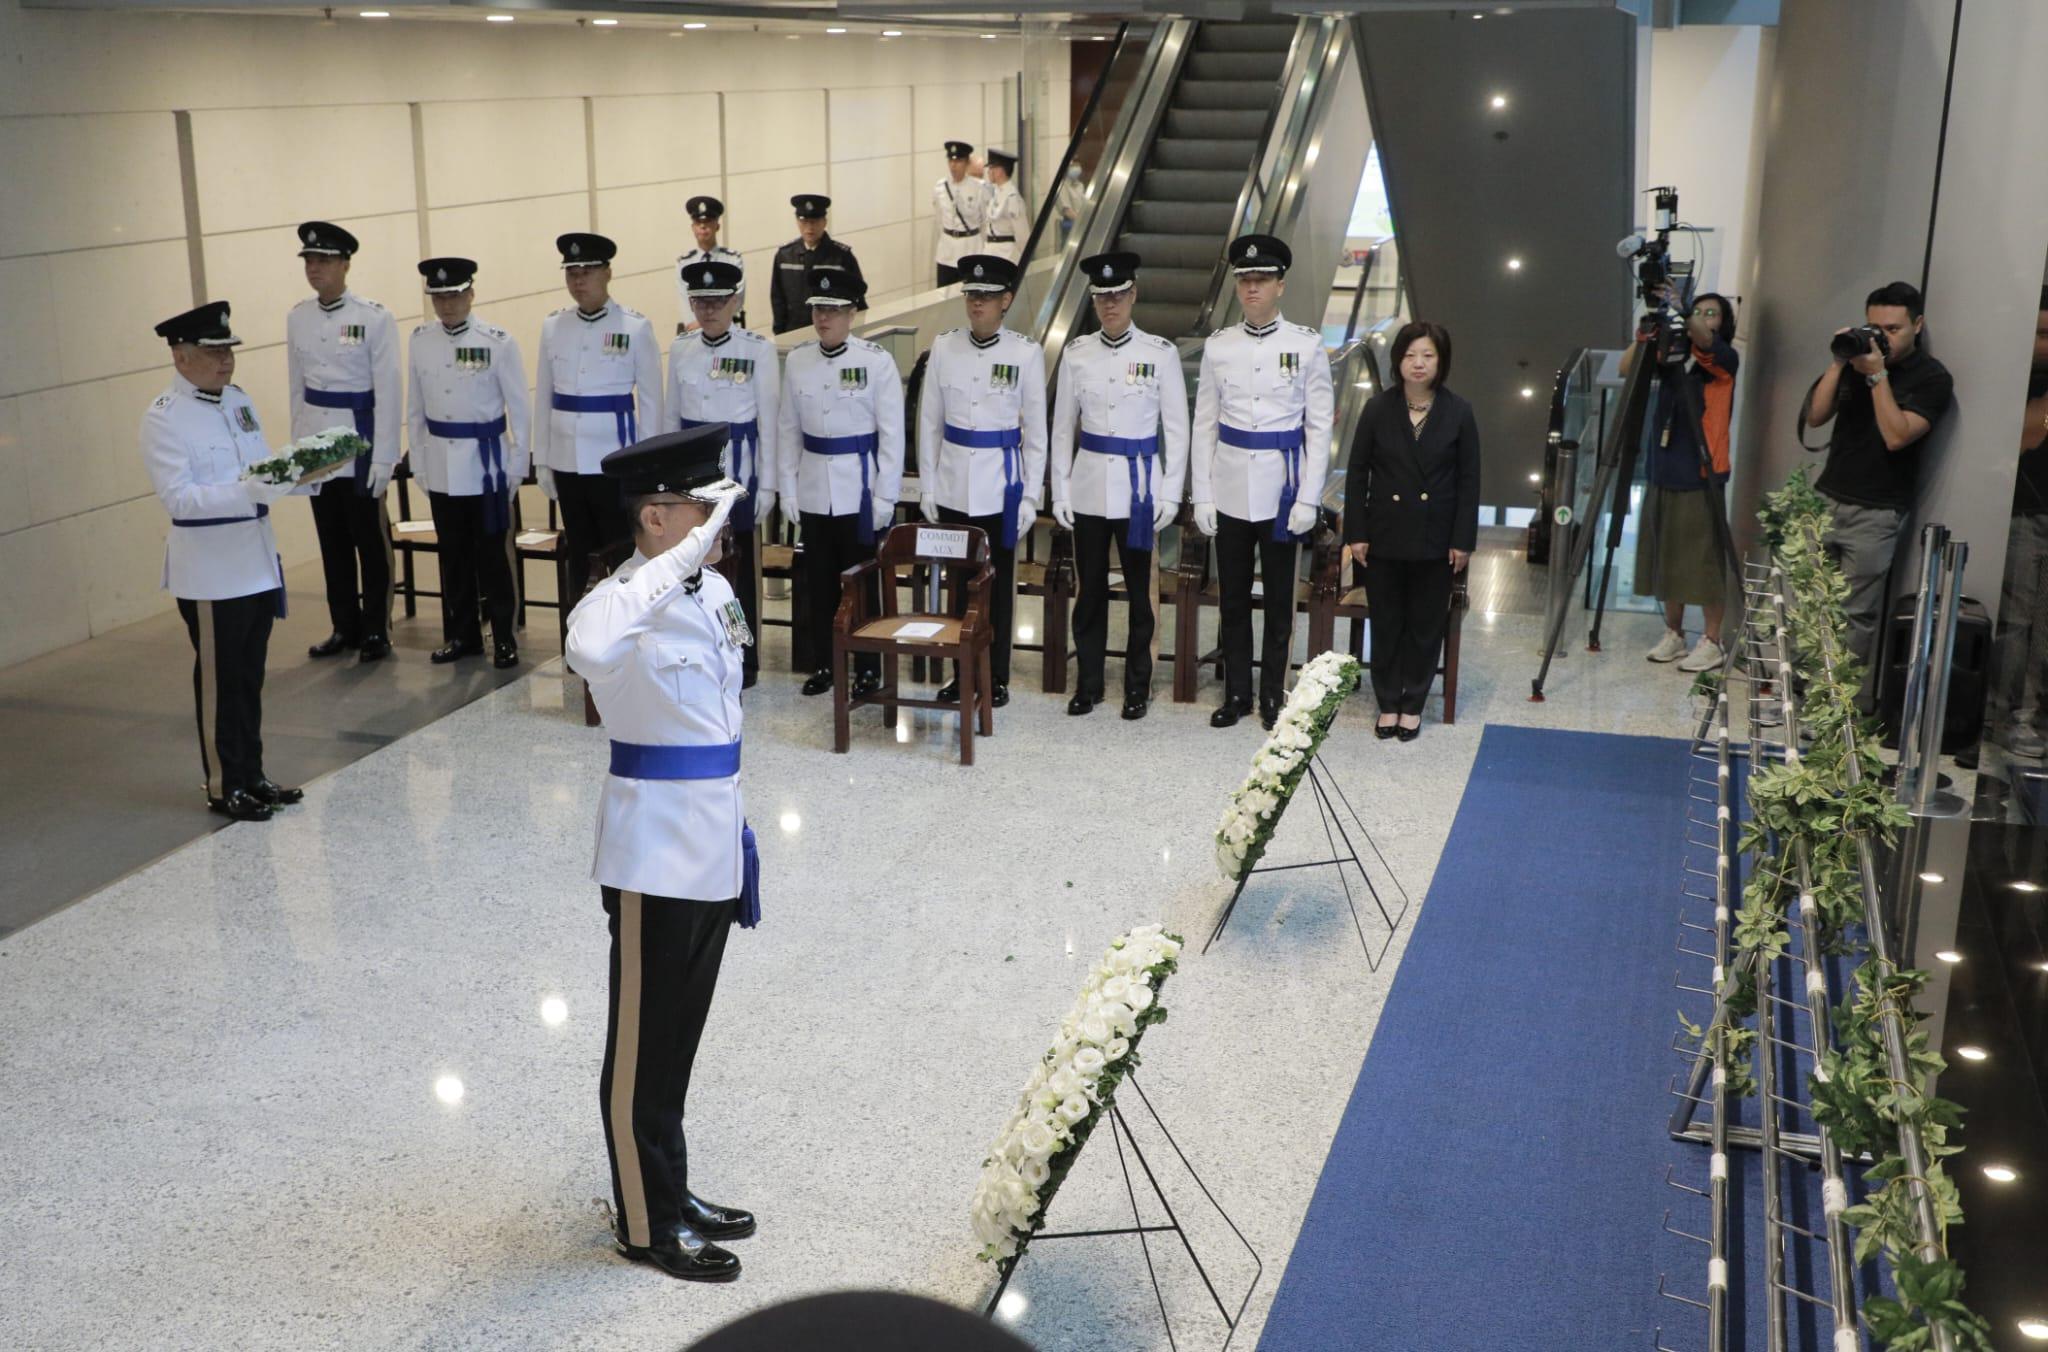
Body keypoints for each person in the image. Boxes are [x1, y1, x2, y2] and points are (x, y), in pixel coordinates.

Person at [564, 425, 758, 1284]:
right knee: (640, 1050)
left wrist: (692, 564)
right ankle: (644, 1224)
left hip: (713, 839)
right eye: (698, 506)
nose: (715, 520)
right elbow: (587, 650)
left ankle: (669, 1191)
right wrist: (672, 564)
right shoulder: (623, 602)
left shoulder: (708, 590)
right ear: (655, 516)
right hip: (652, 856)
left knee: (679, 1038)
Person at [141, 301, 309, 821]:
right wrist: (249, 491)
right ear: (181, 355)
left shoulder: (237, 401)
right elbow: (180, 499)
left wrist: (300, 475)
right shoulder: (163, 418)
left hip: (255, 560)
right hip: (211, 571)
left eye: (227, 350)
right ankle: (223, 784)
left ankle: (251, 774)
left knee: (250, 676)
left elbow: (259, 469)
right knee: (220, 681)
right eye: (212, 352)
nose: (225, 361)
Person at [1190, 234, 1333, 730]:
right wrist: (1202, 493)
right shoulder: (1219, 346)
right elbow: (1204, 423)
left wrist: (1310, 498)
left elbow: (1319, 427)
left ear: (1280, 286)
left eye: (1262, 280)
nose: (1252, 288)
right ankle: (1236, 693)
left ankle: (1273, 692)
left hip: (1282, 490)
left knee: (1277, 599)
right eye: (1245, 280)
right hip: (1230, 486)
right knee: (1231, 596)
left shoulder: (1306, 345)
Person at [1049, 251, 1189, 719]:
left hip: (1140, 491)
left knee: (1139, 596)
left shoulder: (1159, 354)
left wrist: (1171, 491)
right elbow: (1063, 429)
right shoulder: (1077, 354)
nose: (1110, 305)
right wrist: (1061, 491)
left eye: (1118, 295)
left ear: (1134, 295)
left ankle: (1137, 685)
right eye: (1101, 297)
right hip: (1089, 487)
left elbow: (1177, 428)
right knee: (1089, 592)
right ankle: (1088, 683)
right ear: (1093, 302)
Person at [1802, 280, 1954, 691]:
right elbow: (1815, 417)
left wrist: (1877, 376)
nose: (1881, 337)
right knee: (1807, 601)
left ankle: (1836, 707)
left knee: (1855, 614)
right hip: (1827, 496)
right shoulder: (1855, 362)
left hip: (1877, 512)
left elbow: (1897, 435)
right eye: (1874, 327)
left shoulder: (1932, 378)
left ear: (1917, 325)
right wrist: (1839, 362)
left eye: (1893, 329)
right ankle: (1797, 691)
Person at [917, 254, 1048, 708]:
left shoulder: (1025, 353)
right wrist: (929, 486)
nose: (976, 305)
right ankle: (960, 673)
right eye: (971, 295)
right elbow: (929, 422)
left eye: (987, 297)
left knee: (996, 588)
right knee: (957, 588)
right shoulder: (944, 348)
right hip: (954, 485)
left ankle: (996, 675)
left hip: (1002, 488)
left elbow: (1036, 432)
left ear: (1006, 301)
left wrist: (1032, 494)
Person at [1341, 321, 1480, 741]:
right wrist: (1357, 532)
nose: (1418, 364)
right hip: (1383, 533)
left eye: (1428, 356)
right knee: (1386, 621)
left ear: (1441, 362)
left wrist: (1462, 541)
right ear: (1398, 361)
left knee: (1424, 624)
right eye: (1410, 355)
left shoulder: (1458, 411)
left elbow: (1469, 481)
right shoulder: (1378, 409)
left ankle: (1413, 702)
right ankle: (1388, 701)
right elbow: (1357, 472)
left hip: (1436, 538)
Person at [778, 266, 903, 696]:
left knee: (862, 583)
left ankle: (868, 666)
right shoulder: (798, 360)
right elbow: (788, 429)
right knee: (819, 582)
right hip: (815, 489)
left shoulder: (875, 362)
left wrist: (886, 495)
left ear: (852, 313)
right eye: (818, 309)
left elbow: (892, 435)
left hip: (861, 492)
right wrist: (788, 489)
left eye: (833, 310)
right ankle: (827, 663)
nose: (823, 318)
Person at [406, 256, 530, 668]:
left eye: (455, 295)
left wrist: (516, 465)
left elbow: (519, 408)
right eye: (439, 297)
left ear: (471, 294)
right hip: (441, 463)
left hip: (485, 465)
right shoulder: (421, 340)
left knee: (493, 557)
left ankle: (504, 636)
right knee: (453, 557)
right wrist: (420, 463)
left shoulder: (498, 341)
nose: (447, 304)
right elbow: (415, 408)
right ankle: (462, 635)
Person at [288, 220, 402, 663]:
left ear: (345, 264)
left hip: (360, 440)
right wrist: (299, 453)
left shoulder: (373, 317)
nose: (315, 269)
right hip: (318, 444)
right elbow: (297, 388)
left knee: (369, 542)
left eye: (324, 261)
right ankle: (343, 625)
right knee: (331, 541)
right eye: (310, 261)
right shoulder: (298, 316)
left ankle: (376, 627)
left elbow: (389, 391)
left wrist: (384, 457)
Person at [533, 232, 663, 609]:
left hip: (614, 461)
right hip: (567, 460)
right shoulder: (554, 326)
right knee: (579, 551)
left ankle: (625, 629)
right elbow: (543, 397)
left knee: (621, 551)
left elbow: (652, 403)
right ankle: (581, 633)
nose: (579, 280)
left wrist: (646, 467)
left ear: (607, 273)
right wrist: (542, 458)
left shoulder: (634, 327)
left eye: (588, 271)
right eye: (572, 272)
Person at [668, 259, 781, 689]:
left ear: (734, 301)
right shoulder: (681, 349)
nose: (708, 309)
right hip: (691, 480)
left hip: (739, 476)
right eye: (699, 301)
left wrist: (767, 484)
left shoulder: (757, 350)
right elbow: (669, 418)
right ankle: (699, 648)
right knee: (691, 567)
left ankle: (743, 653)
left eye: (717, 301)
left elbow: (769, 422)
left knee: (737, 576)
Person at [1633, 292, 1739, 674]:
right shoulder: (1674, 355)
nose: (1703, 318)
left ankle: (1712, 640)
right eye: (1699, 311)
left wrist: (1681, 306)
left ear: (1723, 323)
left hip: (1703, 472)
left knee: (1705, 557)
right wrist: (1646, 335)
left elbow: (1707, 342)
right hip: (1664, 467)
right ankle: (1674, 633)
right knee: (1669, 554)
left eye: (1712, 313)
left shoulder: (1723, 358)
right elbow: (1631, 368)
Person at [1992, 286, 2048, 757]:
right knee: (2018, 623)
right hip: (2027, 515)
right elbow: (2028, 438)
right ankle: (2011, 716)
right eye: (2043, 334)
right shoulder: (2019, 380)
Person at [769, 196, 868, 336]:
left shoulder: (841, 256)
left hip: (832, 334)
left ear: (824, 222)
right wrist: (779, 334)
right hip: (794, 332)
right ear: (797, 221)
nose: (809, 227)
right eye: (804, 221)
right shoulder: (784, 255)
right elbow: (777, 298)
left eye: (814, 222)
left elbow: (858, 301)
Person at [673, 195, 746, 336]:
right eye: (698, 222)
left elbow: (738, 297)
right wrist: (697, 324)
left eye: (708, 221)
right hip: (693, 331)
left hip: (726, 330)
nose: (703, 226)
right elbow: (684, 298)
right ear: (693, 227)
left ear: (717, 226)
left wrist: (709, 321)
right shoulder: (684, 262)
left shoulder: (732, 259)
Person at [933, 141, 987, 288]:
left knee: (972, 297)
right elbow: (939, 220)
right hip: (946, 253)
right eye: (951, 160)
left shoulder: (978, 188)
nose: (953, 165)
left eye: (958, 161)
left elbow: (984, 222)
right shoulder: (940, 188)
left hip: (971, 250)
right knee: (943, 299)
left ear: (967, 163)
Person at [980, 149, 1029, 264]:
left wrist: (1022, 261)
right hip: (990, 251)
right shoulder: (996, 193)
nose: (988, 172)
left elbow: (1022, 235)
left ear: (1000, 170)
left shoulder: (1012, 198)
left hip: (1007, 255)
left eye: (991, 168)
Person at [1054, 163, 1086, 249]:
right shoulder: (1061, 186)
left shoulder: (1080, 185)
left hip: (1081, 225)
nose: (1076, 168)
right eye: (1072, 166)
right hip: (1069, 226)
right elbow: (1067, 211)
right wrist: (1084, 222)